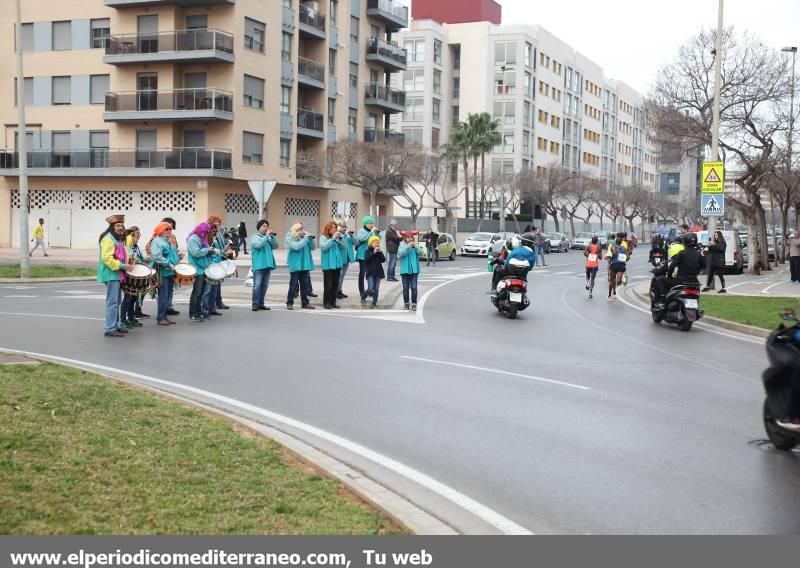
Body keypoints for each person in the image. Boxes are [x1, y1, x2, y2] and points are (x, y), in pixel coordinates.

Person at [97, 214, 130, 337]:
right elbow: (106, 258)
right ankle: (110, 328)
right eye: (117, 225)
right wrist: (122, 266)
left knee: (117, 301)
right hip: (111, 273)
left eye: (121, 225)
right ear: (112, 227)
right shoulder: (108, 238)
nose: (120, 227)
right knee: (112, 302)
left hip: (117, 273)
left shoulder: (118, 239)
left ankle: (116, 325)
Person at [652, 232, 705, 307]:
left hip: (681, 281)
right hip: (695, 282)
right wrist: (696, 271)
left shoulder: (682, 253)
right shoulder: (699, 254)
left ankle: (662, 300)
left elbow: (672, 266)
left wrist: (669, 276)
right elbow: (704, 266)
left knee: (660, 280)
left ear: (684, 242)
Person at [146, 217, 181, 316]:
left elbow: (171, 254)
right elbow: (157, 256)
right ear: (160, 230)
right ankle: (161, 317)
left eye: (170, 229)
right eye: (166, 229)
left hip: (170, 272)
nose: (169, 231)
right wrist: (169, 263)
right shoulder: (157, 241)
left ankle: (164, 315)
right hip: (163, 272)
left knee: (168, 294)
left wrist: (177, 258)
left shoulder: (167, 240)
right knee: (163, 295)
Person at [187, 222, 219, 322]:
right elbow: (196, 253)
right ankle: (192, 313)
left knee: (201, 292)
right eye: (205, 231)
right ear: (200, 230)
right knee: (196, 292)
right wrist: (209, 249)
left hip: (204, 268)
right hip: (197, 269)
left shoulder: (201, 238)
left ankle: (198, 311)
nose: (206, 233)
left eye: (207, 232)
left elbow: (204, 253)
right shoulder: (193, 239)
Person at [120, 227, 147, 328]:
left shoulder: (136, 247)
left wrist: (145, 261)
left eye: (139, 235)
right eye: (137, 235)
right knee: (127, 298)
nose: (139, 237)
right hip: (129, 275)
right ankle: (123, 320)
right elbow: (129, 260)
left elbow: (140, 258)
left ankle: (131, 318)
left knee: (133, 298)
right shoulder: (126, 247)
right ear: (131, 236)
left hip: (136, 274)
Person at [286, 222, 316, 310]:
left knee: (305, 285)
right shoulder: (290, 237)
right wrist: (306, 239)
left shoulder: (305, 238)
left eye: (303, 229)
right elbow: (296, 247)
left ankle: (305, 302)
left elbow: (313, 247)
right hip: (295, 265)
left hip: (304, 264)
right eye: (300, 229)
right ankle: (289, 302)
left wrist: (311, 239)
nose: (302, 231)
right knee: (293, 285)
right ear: (295, 230)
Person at [250, 220, 278, 311]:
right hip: (258, 266)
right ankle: (255, 304)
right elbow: (258, 245)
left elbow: (276, 246)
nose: (266, 228)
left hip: (267, 265)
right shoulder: (255, 237)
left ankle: (261, 303)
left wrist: (273, 237)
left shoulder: (268, 238)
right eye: (264, 226)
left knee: (264, 286)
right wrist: (266, 236)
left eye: (267, 226)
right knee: (257, 286)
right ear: (259, 227)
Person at [206, 215, 230, 314]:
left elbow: (221, 245)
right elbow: (209, 249)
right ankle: (208, 307)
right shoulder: (208, 234)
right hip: (212, 262)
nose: (217, 225)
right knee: (209, 288)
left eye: (218, 223)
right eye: (215, 223)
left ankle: (216, 304)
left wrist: (225, 250)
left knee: (217, 285)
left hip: (219, 259)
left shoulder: (219, 233)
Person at [319, 221, 345, 309]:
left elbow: (344, 247)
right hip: (328, 265)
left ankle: (333, 302)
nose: (334, 229)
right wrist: (332, 239)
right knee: (328, 285)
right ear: (328, 229)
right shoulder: (323, 237)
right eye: (332, 227)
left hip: (337, 265)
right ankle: (326, 303)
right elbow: (323, 247)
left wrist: (340, 238)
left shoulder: (337, 238)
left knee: (335, 285)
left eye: (335, 227)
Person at [356, 216, 379, 299]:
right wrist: (371, 233)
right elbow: (361, 239)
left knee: (370, 273)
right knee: (362, 274)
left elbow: (378, 240)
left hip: (371, 255)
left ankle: (369, 290)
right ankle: (362, 291)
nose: (371, 225)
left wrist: (377, 233)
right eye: (369, 223)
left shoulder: (372, 231)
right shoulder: (361, 231)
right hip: (362, 256)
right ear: (365, 224)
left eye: (372, 223)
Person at [398, 232, 421, 311]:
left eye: (411, 237)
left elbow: (421, 253)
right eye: (408, 237)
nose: (410, 239)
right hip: (405, 270)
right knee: (405, 288)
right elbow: (400, 254)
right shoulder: (402, 245)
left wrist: (416, 247)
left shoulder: (415, 245)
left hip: (414, 270)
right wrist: (408, 247)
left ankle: (414, 303)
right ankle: (406, 304)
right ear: (405, 238)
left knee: (414, 287)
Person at [364, 236, 386, 309]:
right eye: (374, 242)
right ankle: (363, 296)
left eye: (377, 243)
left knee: (376, 289)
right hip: (370, 273)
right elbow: (367, 260)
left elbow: (383, 260)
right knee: (370, 288)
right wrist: (373, 253)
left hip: (378, 273)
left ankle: (374, 303)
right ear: (371, 243)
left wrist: (379, 253)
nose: (376, 244)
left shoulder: (379, 252)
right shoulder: (367, 251)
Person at [606, 232, 629, 301]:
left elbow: (627, 257)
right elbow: (609, 256)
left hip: (621, 265)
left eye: (620, 238)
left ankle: (623, 279)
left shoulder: (623, 248)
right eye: (618, 237)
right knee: (611, 280)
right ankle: (609, 295)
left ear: (622, 239)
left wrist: (625, 257)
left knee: (619, 281)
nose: (619, 239)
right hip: (614, 264)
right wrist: (612, 254)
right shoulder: (613, 246)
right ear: (616, 238)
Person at [337, 219, 355, 299]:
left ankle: (340, 290)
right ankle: (337, 291)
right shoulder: (338, 235)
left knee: (342, 276)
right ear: (339, 227)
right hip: (340, 258)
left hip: (347, 258)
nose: (344, 228)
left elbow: (356, 242)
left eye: (345, 226)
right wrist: (345, 235)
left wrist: (351, 235)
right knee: (339, 276)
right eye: (342, 226)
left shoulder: (348, 235)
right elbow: (341, 243)